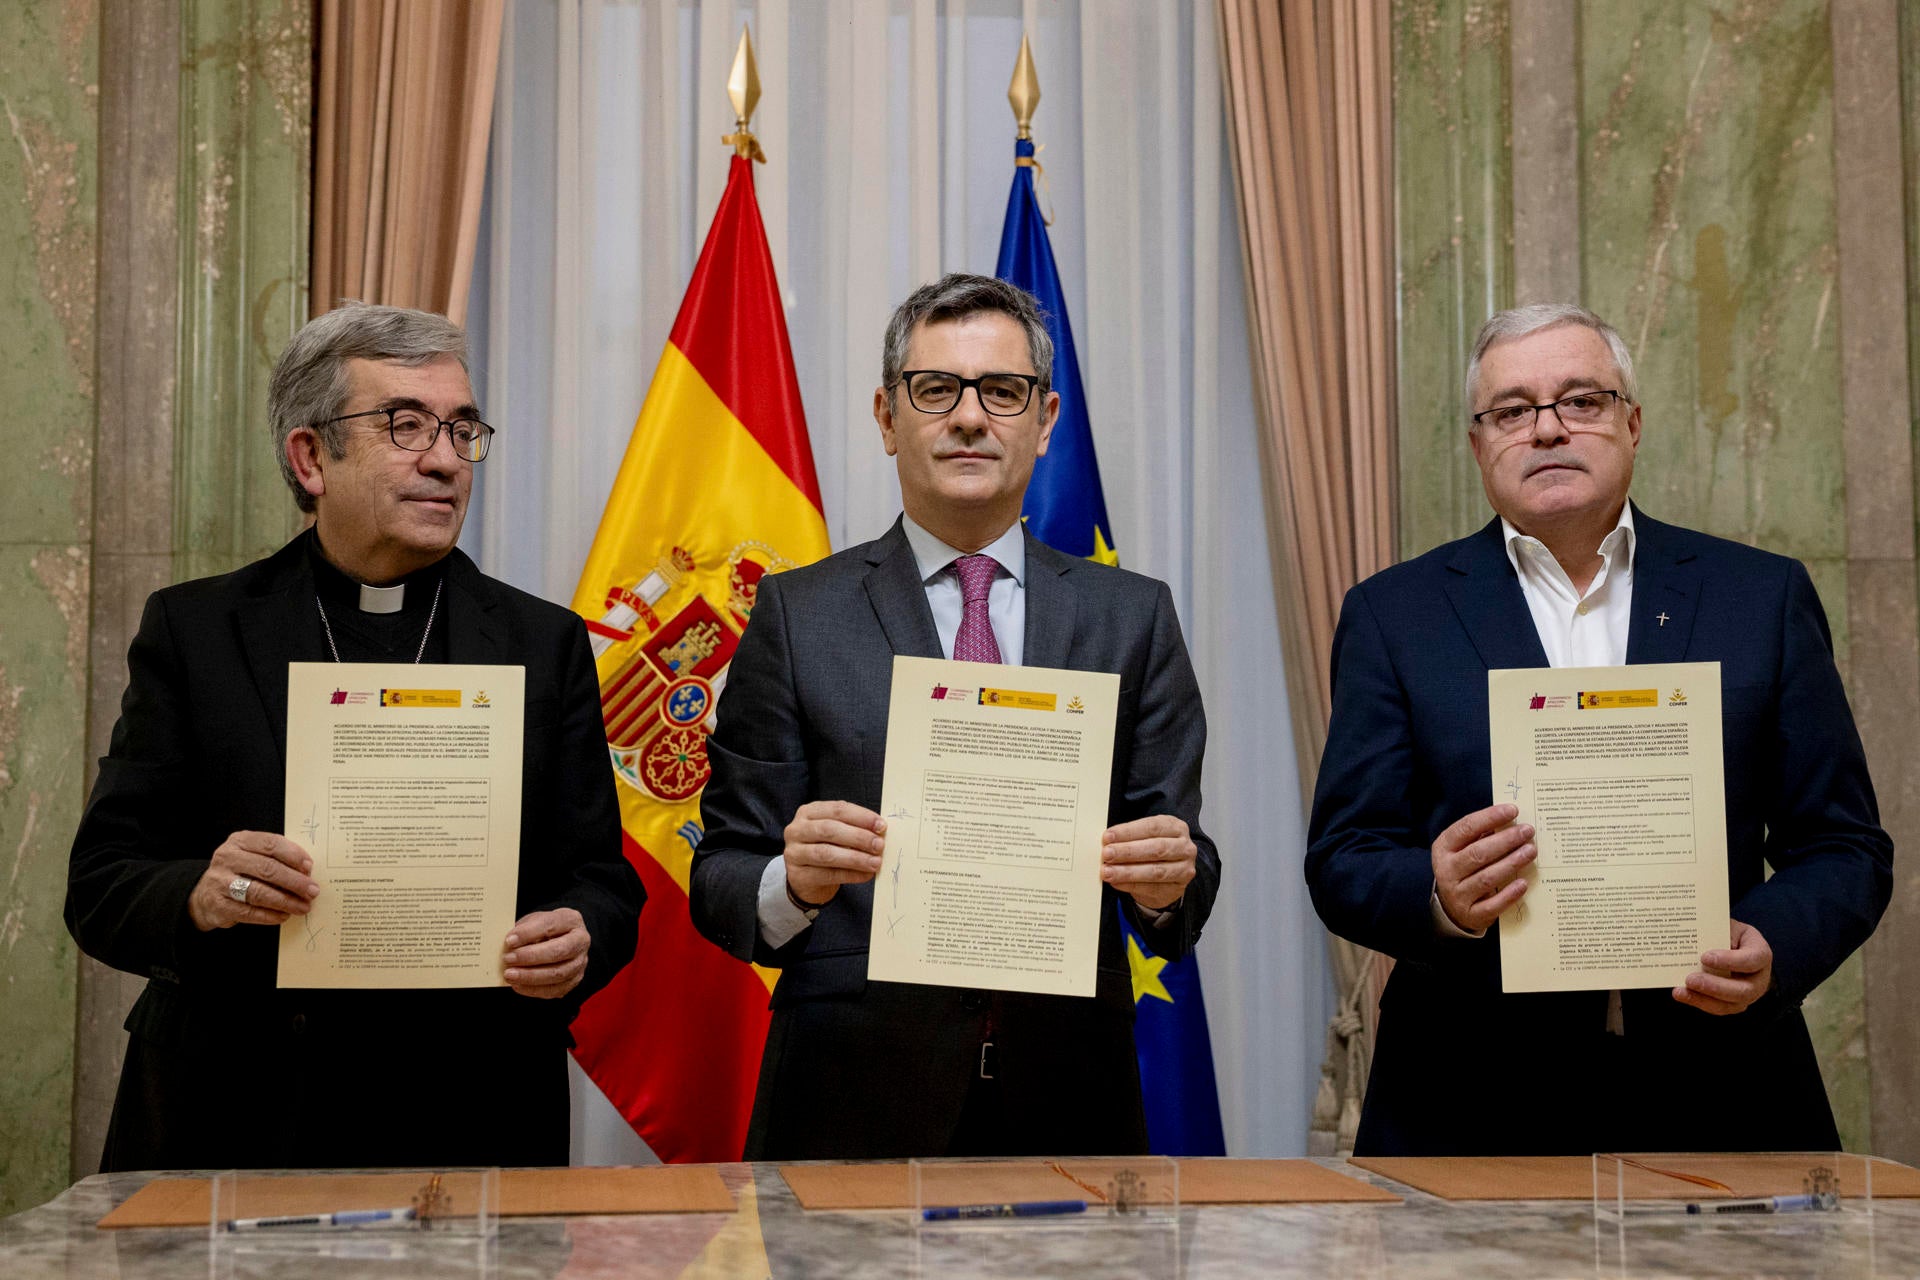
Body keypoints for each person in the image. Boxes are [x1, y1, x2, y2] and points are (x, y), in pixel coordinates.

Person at [66, 303, 644, 1171]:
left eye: (461, 429)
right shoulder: (198, 631)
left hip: (474, 1107)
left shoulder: (541, 642)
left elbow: (601, 879)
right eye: (405, 425)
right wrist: (202, 894)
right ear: (311, 458)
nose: (445, 459)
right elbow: (102, 883)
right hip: (243, 1108)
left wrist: (579, 933)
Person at [1307, 303, 1893, 1156]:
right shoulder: (1395, 615)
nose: (1547, 429)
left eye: (1581, 400)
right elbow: (1343, 858)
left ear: (1632, 422)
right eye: (1513, 410)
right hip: (1469, 1097)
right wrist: (1437, 893)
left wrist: (1774, 943)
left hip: (1722, 1085)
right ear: (1478, 444)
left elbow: (1844, 845)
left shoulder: (1758, 597)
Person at [689, 273, 1220, 1159]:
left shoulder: (1133, 617)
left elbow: (1183, 869)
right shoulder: (797, 614)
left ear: (1045, 421)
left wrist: (1168, 883)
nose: (970, 417)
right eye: (936, 389)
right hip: (848, 1096)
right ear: (887, 416)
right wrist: (795, 880)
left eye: (1002, 391)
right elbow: (720, 876)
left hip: (1070, 1097)